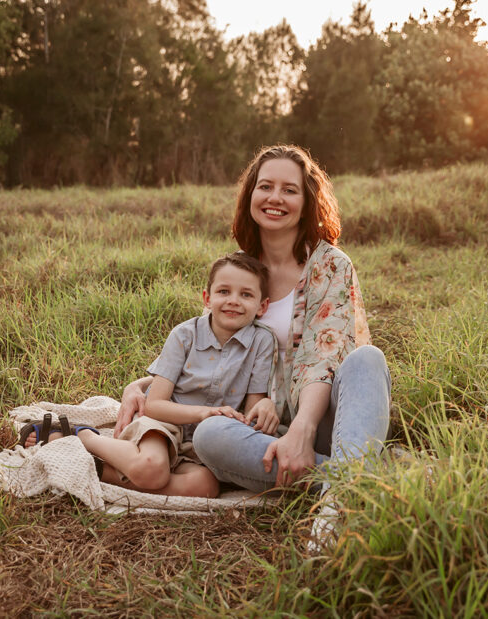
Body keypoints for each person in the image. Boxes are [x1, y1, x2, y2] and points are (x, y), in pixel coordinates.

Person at [116, 144, 390, 512]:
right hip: (262, 433)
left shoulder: (330, 266)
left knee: (367, 360)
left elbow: (322, 359)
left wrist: (301, 431)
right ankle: (366, 480)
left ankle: (342, 498)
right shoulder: (243, 274)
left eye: (289, 190)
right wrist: (143, 385)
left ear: (306, 202)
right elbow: (209, 348)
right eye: (265, 186)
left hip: (326, 421)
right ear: (250, 195)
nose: (275, 198)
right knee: (210, 435)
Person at [21, 252, 278, 499]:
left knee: (206, 487)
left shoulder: (262, 340)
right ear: (207, 298)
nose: (233, 300)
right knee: (152, 471)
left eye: (246, 294)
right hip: (165, 424)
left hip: (208, 439)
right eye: (224, 291)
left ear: (262, 306)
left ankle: (99, 470)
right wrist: (204, 413)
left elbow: (253, 406)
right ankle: (80, 435)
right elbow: (154, 406)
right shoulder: (184, 335)